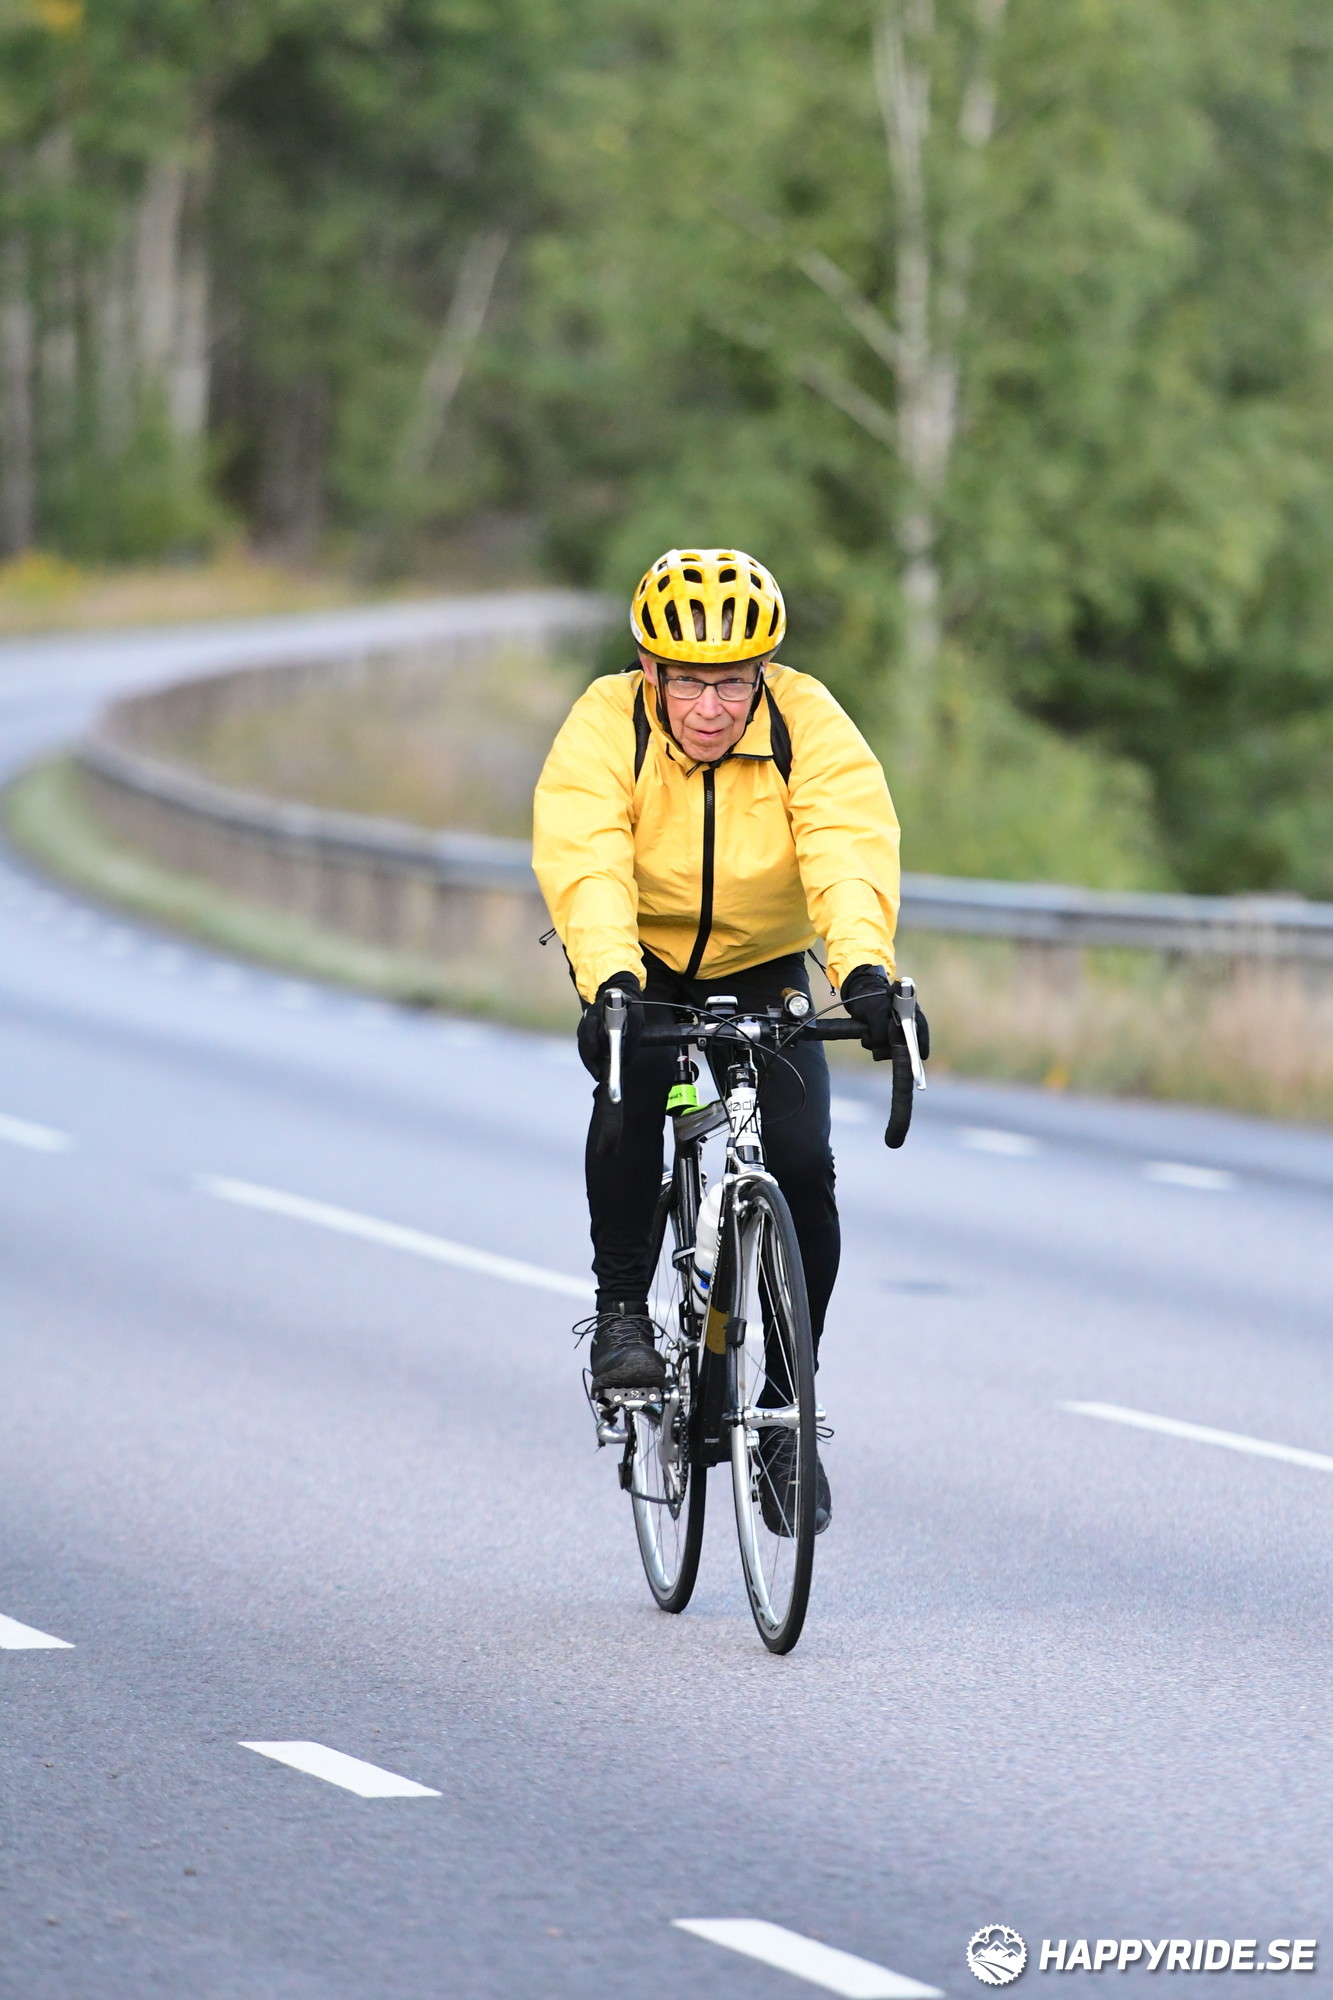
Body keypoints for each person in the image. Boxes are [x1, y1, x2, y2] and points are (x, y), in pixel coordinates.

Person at [532, 547, 921, 1532]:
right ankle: (622, 1312)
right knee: (631, 1090)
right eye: (688, 682)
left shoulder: (804, 721)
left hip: (761, 959)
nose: (711, 707)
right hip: (641, 961)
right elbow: (587, 859)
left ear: (763, 673)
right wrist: (610, 980)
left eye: (734, 682)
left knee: (802, 1163)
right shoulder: (606, 723)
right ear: (648, 670)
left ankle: (787, 1412)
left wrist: (863, 973)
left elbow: (843, 844)